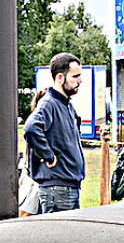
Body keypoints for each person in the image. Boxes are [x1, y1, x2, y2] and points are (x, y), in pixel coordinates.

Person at [23, 53, 87, 213]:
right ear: (60, 77)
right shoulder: (49, 103)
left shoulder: (65, 104)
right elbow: (31, 128)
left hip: (68, 187)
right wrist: (48, 155)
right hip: (58, 189)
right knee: (59, 237)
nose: (80, 80)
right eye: (76, 76)